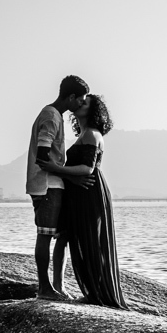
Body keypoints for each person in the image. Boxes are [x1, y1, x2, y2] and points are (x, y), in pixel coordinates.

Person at [38, 94, 127, 309]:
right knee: (64, 236)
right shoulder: (84, 134)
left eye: (84, 102)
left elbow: (87, 169)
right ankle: (58, 287)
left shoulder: (92, 134)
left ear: (92, 111)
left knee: (89, 241)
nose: (79, 103)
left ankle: (96, 293)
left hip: (89, 191)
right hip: (76, 191)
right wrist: (66, 176)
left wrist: (55, 168)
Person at [26, 75, 91, 300]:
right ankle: (44, 289)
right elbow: (43, 158)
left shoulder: (56, 116)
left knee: (62, 235)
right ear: (71, 97)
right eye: (80, 98)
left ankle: (57, 286)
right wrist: (72, 178)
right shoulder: (51, 116)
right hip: (46, 186)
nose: (82, 103)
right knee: (45, 235)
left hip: (55, 184)